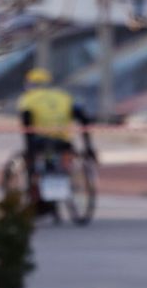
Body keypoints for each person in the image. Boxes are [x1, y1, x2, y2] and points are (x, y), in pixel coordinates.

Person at [15, 67, 95, 204]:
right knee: (63, 162)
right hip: (62, 142)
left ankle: (32, 191)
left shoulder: (27, 99)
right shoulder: (64, 97)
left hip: (39, 142)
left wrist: (30, 152)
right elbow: (83, 118)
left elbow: (26, 125)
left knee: (31, 165)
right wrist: (88, 147)